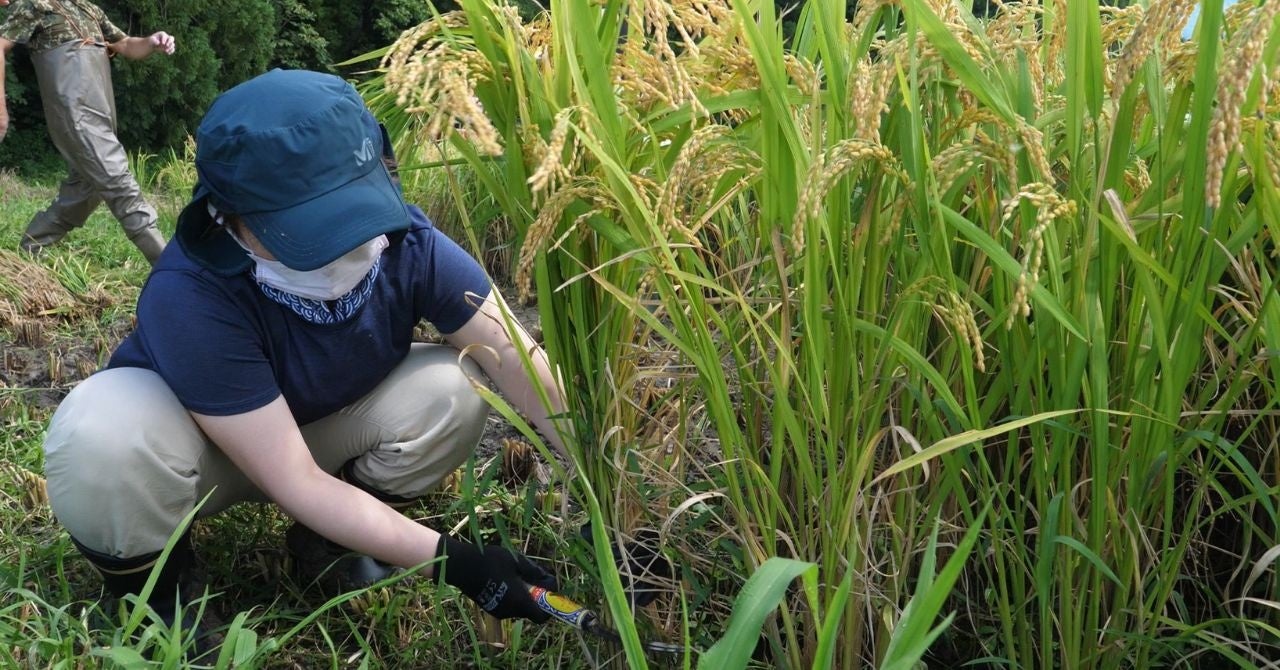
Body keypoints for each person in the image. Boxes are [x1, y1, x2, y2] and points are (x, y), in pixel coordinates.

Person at [40, 68, 573, 640]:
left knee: (458, 383)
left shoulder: (407, 242)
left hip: (319, 431)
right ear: (229, 218)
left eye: (354, 214)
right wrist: (457, 561)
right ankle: (157, 593)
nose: (344, 247)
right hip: (201, 460)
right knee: (102, 436)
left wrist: (597, 474)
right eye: (309, 232)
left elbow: (511, 356)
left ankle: (327, 543)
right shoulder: (192, 293)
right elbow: (293, 477)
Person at [0, 0, 175, 264]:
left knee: (87, 188)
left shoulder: (86, 8)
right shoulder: (33, 4)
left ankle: (30, 248)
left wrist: (152, 41)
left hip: (101, 107)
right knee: (117, 180)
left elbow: (126, 44)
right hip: (74, 112)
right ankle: (172, 269)